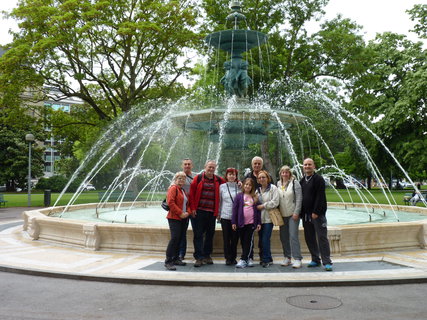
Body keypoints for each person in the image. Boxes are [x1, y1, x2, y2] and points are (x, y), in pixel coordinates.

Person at [189, 160, 225, 267]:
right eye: (209, 167)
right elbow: (191, 194)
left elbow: (229, 182)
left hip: (211, 213)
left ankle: (207, 255)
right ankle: (199, 257)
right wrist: (193, 208)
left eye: (213, 167)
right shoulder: (198, 178)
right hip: (199, 211)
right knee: (198, 235)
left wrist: (238, 182)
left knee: (210, 235)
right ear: (205, 167)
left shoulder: (218, 180)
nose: (211, 169)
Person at [300, 158, 333, 271]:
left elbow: (320, 197)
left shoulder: (318, 179)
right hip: (305, 215)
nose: (307, 166)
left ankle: (327, 262)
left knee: (322, 237)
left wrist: (316, 212)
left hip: (317, 215)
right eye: (305, 165)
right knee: (309, 238)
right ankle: (315, 259)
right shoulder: (302, 180)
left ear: (314, 166)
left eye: (309, 164)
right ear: (303, 167)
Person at [164, 172, 191, 271]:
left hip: (184, 218)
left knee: (179, 238)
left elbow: (187, 203)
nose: (182, 180)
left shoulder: (182, 190)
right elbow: (170, 202)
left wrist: (188, 212)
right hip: (174, 218)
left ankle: (175, 258)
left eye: (183, 179)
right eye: (179, 178)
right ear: (175, 179)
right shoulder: (173, 188)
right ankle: (168, 261)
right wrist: (180, 213)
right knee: (174, 238)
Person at [277, 165, 303, 268]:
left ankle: (297, 258)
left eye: (286, 172)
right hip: (282, 215)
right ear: (280, 174)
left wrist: (296, 212)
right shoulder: (278, 184)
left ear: (290, 174)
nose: (285, 174)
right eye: (283, 172)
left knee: (293, 236)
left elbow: (299, 198)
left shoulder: (295, 183)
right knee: (283, 237)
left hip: (293, 215)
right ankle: (287, 257)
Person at [232, 178, 261, 268]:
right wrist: (234, 222)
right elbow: (235, 210)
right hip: (241, 223)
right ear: (243, 185)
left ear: (252, 187)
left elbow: (258, 211)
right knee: (243, 241)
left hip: (251, 223)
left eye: (249, 185)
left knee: (248, 241)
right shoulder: (239, 196)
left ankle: (243, 259)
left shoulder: (255, 197)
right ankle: (248, 258)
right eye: (246, 184)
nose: (247, 186)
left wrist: (258, 223)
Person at [256, 170, 280, 268]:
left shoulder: (273, 188)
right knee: (262, 240)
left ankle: (265, 260)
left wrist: (263, 206)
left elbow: (275, 202)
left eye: (263, 177)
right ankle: (269, 258)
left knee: (265, 239)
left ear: (267, 178)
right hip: (259, 219)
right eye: (260, 178)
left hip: (269, 219)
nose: (262, 179)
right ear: (258, 180)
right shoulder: (257, 190)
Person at [218, 168, 240, 265]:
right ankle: (228, 257)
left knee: (235, 239)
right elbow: (219, 201)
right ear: (226, 176)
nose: (231, 176)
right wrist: (218, 214)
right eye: (230, 174)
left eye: (233, 174)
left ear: (236, 177)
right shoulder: (222, 187)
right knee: (226, 238)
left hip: (236, 217)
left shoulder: (239, 186)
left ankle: (233, 257)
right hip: (225, 216)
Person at [178, 158, 196, 262]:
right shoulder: (178, 176)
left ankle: (198, 253)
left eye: (189, 164)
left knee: (198, 232)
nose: (187, 166)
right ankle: (181, 254)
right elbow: (172, 188)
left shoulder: (195, 177)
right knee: (182, 232)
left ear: (192, 166)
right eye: (185, 164)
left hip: (193, 207)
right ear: (182, 165)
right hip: (183, 209)